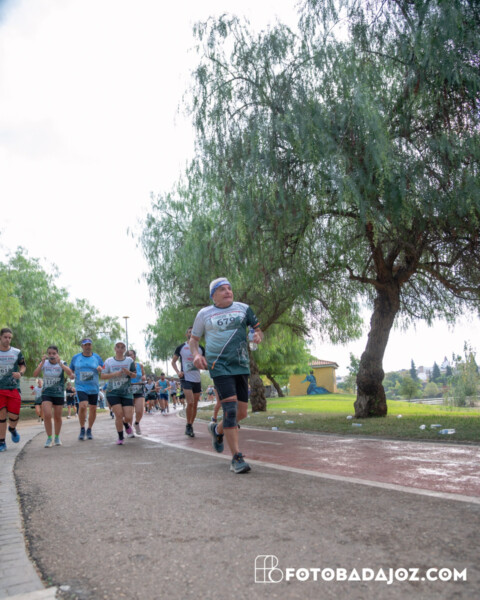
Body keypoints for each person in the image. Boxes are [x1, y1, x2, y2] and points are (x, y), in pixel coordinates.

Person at [190, 278, 263, 474]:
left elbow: (258, 331)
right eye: (222, 289)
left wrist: (257, 336)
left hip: (241, 365)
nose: (227, 291)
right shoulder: (204, 314)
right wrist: (196, 355)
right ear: (213, 295)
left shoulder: (244, 309)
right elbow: (193, 340)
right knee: (230, 410)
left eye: (229, 288)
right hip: (219, 365)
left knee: (241, 413)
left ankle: (217, 430)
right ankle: (236, 458)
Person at [33, 346, 73, 447]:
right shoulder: (44, 363)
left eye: (54, 353)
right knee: (47, 414)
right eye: (49, 353)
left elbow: (70, 374)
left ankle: (57, 437)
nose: (51, 355)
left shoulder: (62, 363)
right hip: (47, 393)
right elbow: (35, 374)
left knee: (57, 417)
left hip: (58, 393)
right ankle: (49, 438)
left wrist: (60, 364)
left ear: (57, 354)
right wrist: (41, 363)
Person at [101, 341, 136, 445]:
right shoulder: (109, 361)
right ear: (115, 349)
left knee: (128, 416)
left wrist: (128, 373)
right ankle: (120, 437)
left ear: (125, 350)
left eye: (122, 347)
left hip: (126, 392)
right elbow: (102, 376)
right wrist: (114, 374)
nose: (120, 349)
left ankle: (126, 424)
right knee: (119, 415)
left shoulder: (129, 360)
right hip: (113, 392)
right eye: (118, 347)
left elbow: (134, 375)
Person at [172, 327, 205, 438]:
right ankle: (188, 425)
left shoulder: (201, 348)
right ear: (187, 335)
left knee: (195, 404)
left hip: (197, 379)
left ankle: (190, 425)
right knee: (190, 402)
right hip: (185, 378)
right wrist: (178, 372)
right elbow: (173, 362)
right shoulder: (181, 347)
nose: (192, 333)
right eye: (190, 332)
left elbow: (205, 363)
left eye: (194, 332)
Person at [70, 338, 104, 441]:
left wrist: (101, 369)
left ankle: (89, 429)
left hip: (93, 387)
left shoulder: (96, 357)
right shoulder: (76, 357)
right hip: (81, 386)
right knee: (83, 406)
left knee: (93, 408)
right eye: (85, 345)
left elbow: (104, 370)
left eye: (89, 345)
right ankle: (82, 428)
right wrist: (71, 375)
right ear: (82, 346)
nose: (87, 347)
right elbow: (71, 370)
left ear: (91, 346)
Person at [0, 328, 26, 452]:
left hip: (13, 388)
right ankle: (2, 442)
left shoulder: (16, 352)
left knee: (14, 416)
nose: (7, 340)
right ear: (0, 337)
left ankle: (12, 428)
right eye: (5, 337)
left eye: (9, 338)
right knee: (1, 415)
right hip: (0, 389)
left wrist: (20, 373)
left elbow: (23, 365)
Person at [126, 349, 146, 435]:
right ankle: (130, 429)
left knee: (140, 410)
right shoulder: (124, 366)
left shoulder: (139, 365)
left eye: (131, 355)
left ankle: (136, 423)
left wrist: (144, 377)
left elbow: (143, 374)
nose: (129, 356)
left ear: (134, 356)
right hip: (128, 390)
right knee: (129, 412)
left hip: (139, 388)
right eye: (128, 355)